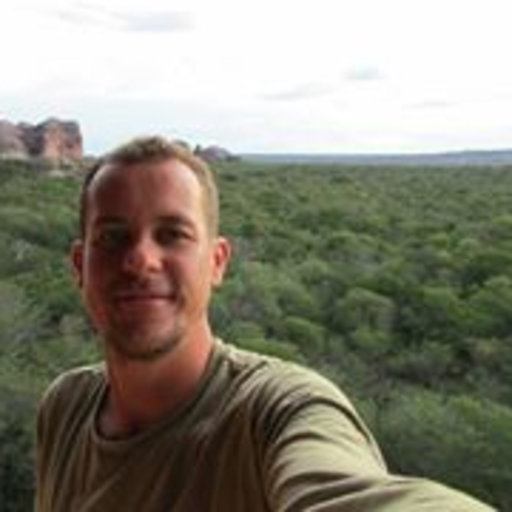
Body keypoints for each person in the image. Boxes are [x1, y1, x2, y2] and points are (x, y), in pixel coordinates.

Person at [36, 136, 494, 511]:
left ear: (216, 263)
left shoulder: (277, 411)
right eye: (113, 237)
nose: (140, 260)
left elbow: (342, 490)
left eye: (172, 234)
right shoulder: (66, 407)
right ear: (80, 264)